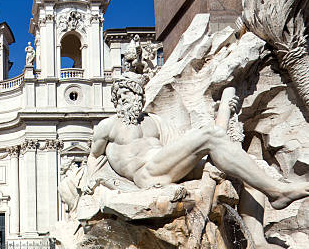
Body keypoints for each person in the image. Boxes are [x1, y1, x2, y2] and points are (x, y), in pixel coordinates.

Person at [83, 73, 309, 210]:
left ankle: (258, 237)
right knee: (209, 136)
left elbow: (196, 147)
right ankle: (278, 191)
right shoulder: (108, 126)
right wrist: (89, 188)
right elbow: (93, 158)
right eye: (121, 94)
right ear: (115, 99)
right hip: (146, 173)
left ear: (140, 97)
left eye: (131, 93)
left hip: (168, 164)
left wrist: (224, 113)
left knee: (248, 169)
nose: (126, 98)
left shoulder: (155, 122)